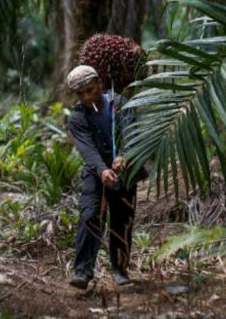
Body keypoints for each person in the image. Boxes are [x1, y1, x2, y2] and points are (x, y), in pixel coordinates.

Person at [65, 65, 146, 289]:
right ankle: (82, 272)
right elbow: (88, 150)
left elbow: (131, 132)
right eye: (80, 94)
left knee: (121, 220)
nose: (86, 97)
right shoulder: (77, 118)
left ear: (100, 83)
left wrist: (124, 156)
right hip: (95, 172)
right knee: (90, 215)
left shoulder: (121, 104)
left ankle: (120, 271)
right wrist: (102, 170)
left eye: (90, 90)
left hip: (126, 172)